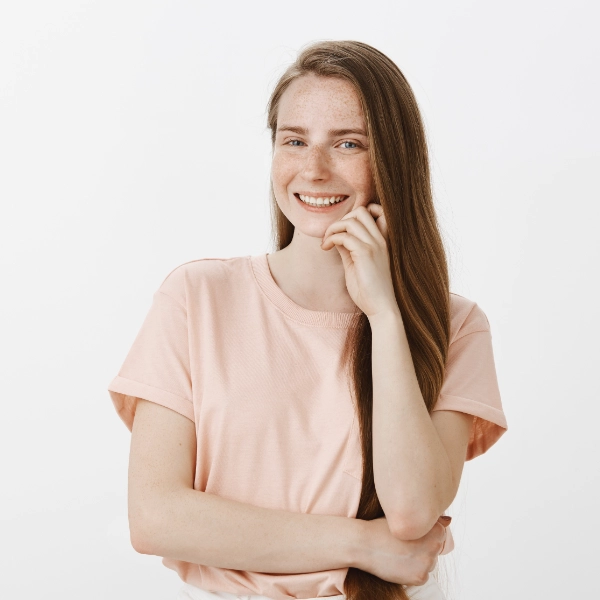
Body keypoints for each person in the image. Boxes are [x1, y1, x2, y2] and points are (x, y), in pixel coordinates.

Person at [107, 40, 508, 600]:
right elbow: (155, 518)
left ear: (393, 161)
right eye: (294, 140)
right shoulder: (196, 298)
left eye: (348, 144)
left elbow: (413, 512)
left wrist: (385, 315)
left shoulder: (456, 326)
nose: (314, 170)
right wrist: (362, 545)